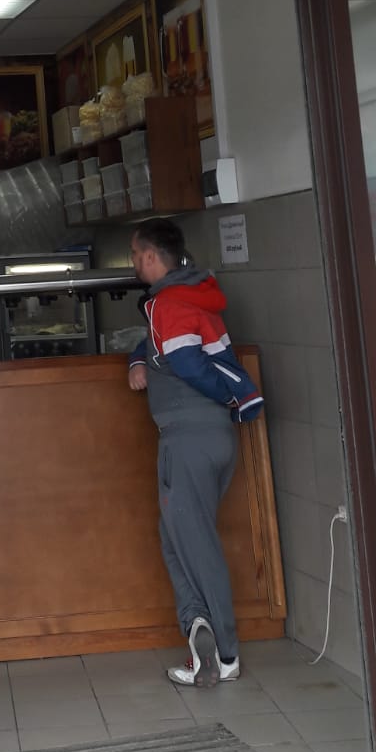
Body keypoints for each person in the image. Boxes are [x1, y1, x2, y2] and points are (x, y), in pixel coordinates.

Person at [128, 218, 264, 689]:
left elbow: (185, 360)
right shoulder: (193, 295)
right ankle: (196, 625)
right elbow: (159, 346)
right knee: (175, 538)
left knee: (196, 543)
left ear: (150, 256)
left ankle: (223, 654)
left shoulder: (168, 302)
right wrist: (138, 359)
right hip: (213, 437)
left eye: (135, 254)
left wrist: (226, 395)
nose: (133, 262)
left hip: (187, 439)